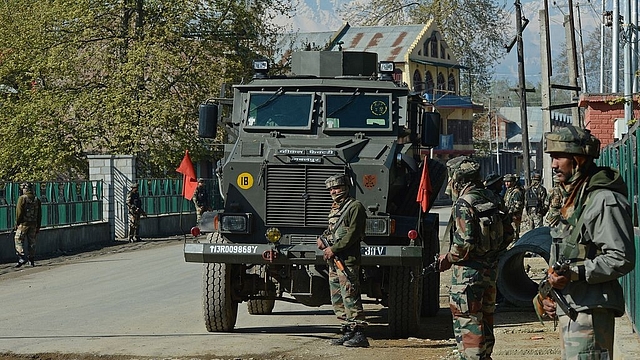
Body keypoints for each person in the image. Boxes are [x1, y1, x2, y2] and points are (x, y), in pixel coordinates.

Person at [536, 125, 635, 359]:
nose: (553, 165)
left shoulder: (603, 200)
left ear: (578, 160)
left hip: (590, 314)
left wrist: (574, 273)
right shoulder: (575, 198)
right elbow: (564, 255)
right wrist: (546, 294)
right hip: (573, 309)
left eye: (559, 157)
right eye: (552, 157)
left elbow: (621, 257)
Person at [438, 157, 513, 360]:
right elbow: (509, 234)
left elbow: (463, 245)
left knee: (468, 321)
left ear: (457, 179)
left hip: (467, 276)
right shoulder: (493, 197)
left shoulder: (464, 203)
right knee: (486, 318)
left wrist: (447, 258)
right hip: (489, 271)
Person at [316, 173, 369, 348]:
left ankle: (359, 333)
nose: (333, 191)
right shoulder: (336, 207)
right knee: (338, 298)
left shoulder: (355, 207)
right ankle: (347, 331)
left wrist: (334, 249)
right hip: (334, 261)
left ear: (345, 187)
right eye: (330, 189)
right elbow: (333, 230)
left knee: (350, 296)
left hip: (347, 260)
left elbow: (352, 234)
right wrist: (323, 239)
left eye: (336, 188)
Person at [14, 182, 42, 267]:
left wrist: (17, 223)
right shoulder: (37, 199)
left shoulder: (22, 198)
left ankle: (21, 257)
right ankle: (31, 260)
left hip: (23, 224)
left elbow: (19, 212)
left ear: (25, 189)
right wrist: (38, 226)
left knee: (18, 239)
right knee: (32, 242)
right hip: (33, 224)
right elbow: (39, 214)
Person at [503, 173, 524, 242]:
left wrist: (508, 212)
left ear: (513, 182)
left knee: (514, 235)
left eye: (508, 182)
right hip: (509, 216)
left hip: (514, 217)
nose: (506, 184)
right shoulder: (508, 191)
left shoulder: (516, 192)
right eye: (505, 182)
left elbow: (518, 206)